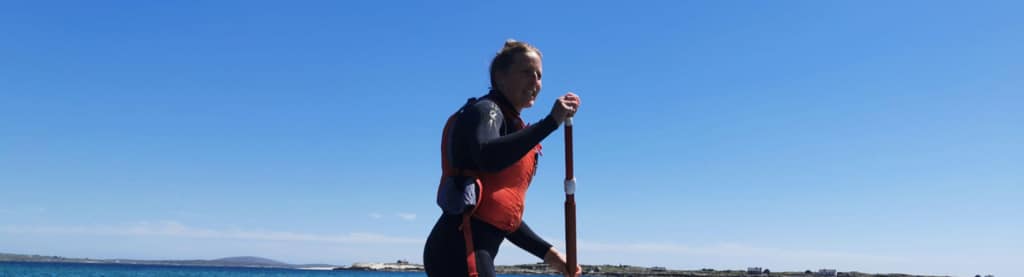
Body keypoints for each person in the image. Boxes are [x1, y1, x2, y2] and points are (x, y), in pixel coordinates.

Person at [423, 39, 582, 277]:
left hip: (470, 249)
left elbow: (502, 215)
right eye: (527, 72)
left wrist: (549, 254)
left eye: (539, 75)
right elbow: (487, 156)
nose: (535, 82)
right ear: (500, 77)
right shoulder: (486, 110)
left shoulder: (512, 127)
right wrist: (551, 122)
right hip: (459, 246)